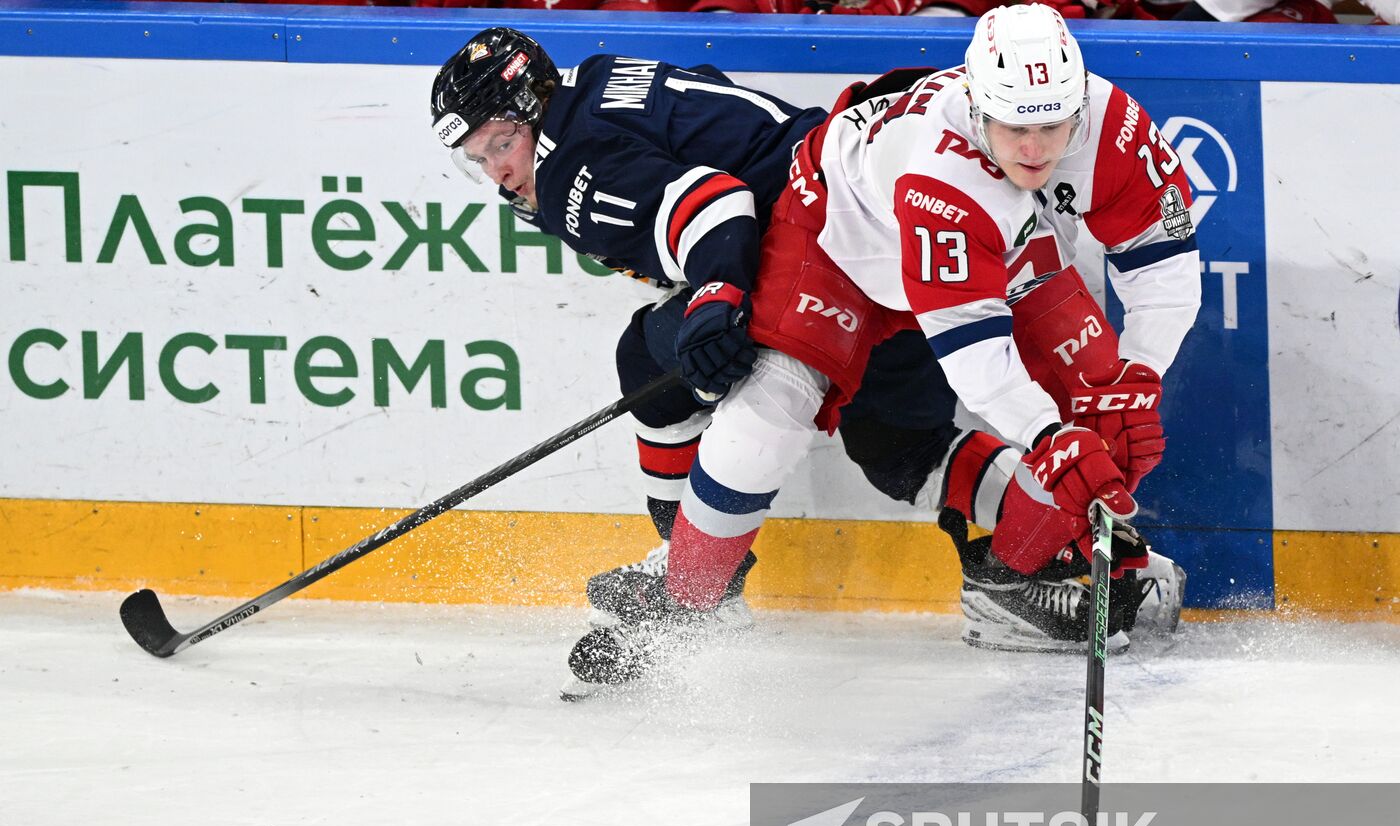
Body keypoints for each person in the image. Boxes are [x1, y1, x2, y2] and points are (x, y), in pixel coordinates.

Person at [427, 16, 1187, 688]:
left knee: (687, 376)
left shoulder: (570, 169)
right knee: (896, 443)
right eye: (479, 156)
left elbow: (716, 204)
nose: (497, 170)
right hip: (844, 202)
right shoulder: (594, 83)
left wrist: (721, 293)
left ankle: (695, 591)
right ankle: (1083, 552)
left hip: (807, 231)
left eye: (501, 143)